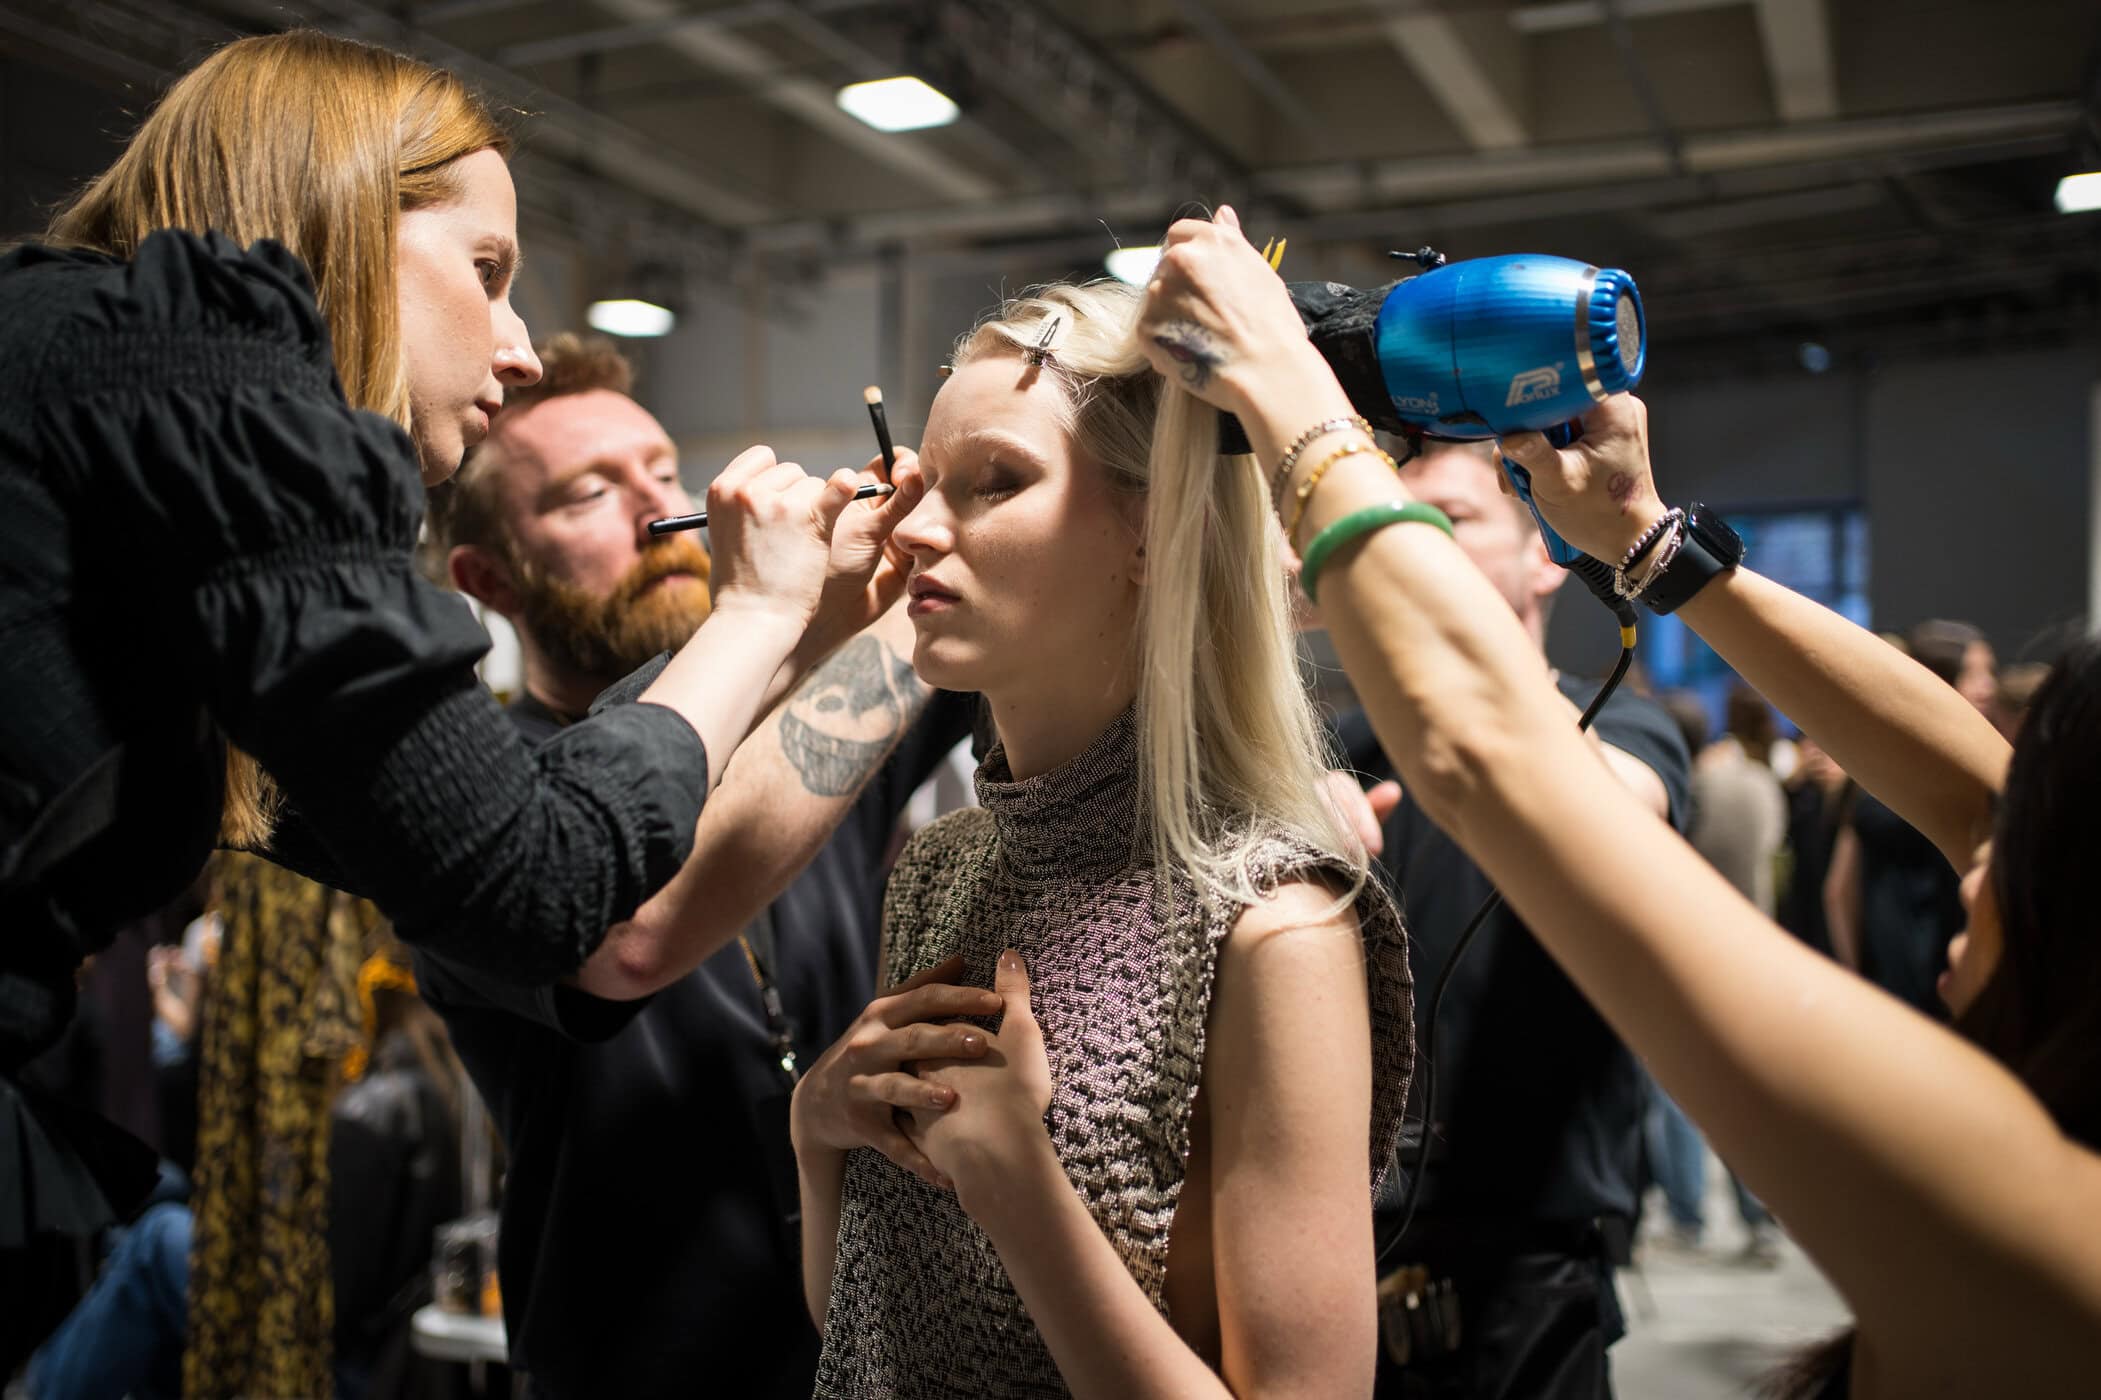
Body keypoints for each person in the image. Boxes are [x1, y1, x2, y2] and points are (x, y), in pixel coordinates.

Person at [0, 28, 905, 1336]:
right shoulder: (203, 369)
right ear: (346, 225)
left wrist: (819, 633)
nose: (521, 345)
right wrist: (768, 609)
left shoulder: (111, 395)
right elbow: (542, 878)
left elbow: (523, 840)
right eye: (489, 272)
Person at [1140, 206, 2101, 1395]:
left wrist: (1299, 411)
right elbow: (1977, 791)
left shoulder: (2039, 1225)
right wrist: (1643, 537)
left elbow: (1484, 747)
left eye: (2021, 852)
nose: (1977, 860)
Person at [792, 282, 1417, 1397]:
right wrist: (818, 1130)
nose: (919, 527)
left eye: (995, 482)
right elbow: (881, 1324)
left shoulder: (1275, 926)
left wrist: (1022, 1191)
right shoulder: (942, 867)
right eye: (926, 483)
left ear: (1148, 528)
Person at [412, 333, 974, 1397]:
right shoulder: (468, 799)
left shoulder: (802, 690)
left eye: (663, 473)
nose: (662, 514)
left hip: (871, 1349)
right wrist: (901, 603)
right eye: (588, 494)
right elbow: (628, 928)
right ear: (488, 578)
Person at [1329, 438, 1689, 1399]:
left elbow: (1614, 809)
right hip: (1349, 1244)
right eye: (1400, 526)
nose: (1415, 552)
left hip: (1530, 1265)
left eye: (1451, 524)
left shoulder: (1613, 720)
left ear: (1545, 556)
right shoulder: (1345, 748)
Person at [1647, 687, 1786, 1266]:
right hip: (1754, 949)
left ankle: (1687, 1215)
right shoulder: (1757, 782)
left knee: (1676, 1093)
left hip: (1690, 955)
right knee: (1743, 1094)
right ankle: (1761, 1216)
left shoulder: (1687, 794)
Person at [1825, 620, 1992, 1017]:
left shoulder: (1884, 760)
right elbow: (1839, 889)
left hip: (1934, 974)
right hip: (1904, 973)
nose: (1987, 685)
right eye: (1975, 673)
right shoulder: (1891, 765)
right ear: (1943, 678)